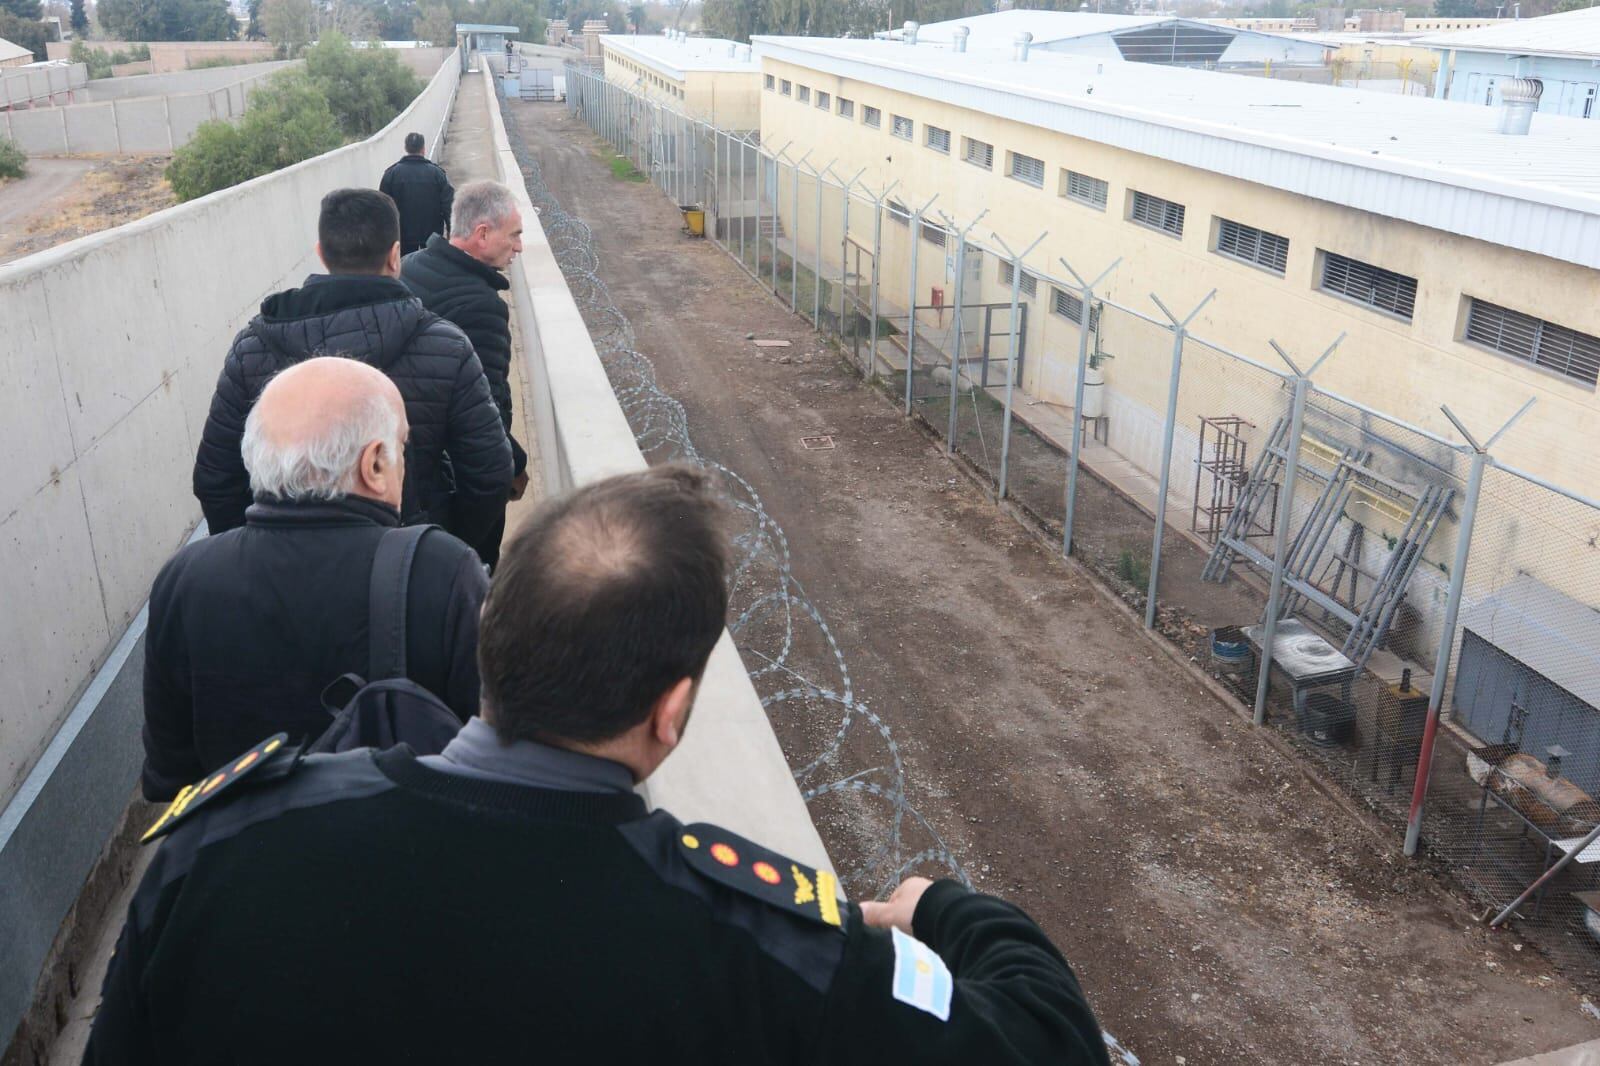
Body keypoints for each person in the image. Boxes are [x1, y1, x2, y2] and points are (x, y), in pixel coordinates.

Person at [86, 465, 1110, 1065]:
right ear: (671, 712)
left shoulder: (225, 841)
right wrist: (939, 911)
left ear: (491, 641)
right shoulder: (762, 943)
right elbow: (1041, 1034)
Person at [143, 358, 487, 802]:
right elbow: (493, 756)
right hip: (399, 858)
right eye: (401, 447)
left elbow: (169, 778)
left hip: (243, 860)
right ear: (375, 465)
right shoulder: (442, 569)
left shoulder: (183, 578)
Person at [192, 187, 513, 564]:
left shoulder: (252, 349)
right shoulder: (448, 347)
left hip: (284, 577)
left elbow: (215, 480)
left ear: (321, 254)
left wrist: (256, 564)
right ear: (396, 256)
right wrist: (438, 549)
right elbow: (490, 473)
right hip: (406, 570)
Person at [401, 180, 528, 569]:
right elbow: (488, 416)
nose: (519, 247)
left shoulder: (409, 267)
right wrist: (513, 464)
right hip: (451, 493)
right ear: (483, 234)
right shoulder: (482, 307)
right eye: (515, 235)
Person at [379, 132, 454, 256]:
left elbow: (383, 209)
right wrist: (452, 232)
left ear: (406, 148)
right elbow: (449, 206)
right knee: (432, 270)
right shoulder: (437, 174)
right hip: (432, 237)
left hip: (402, 237)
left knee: (405, 272)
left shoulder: (391, 175)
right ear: (423, 149)